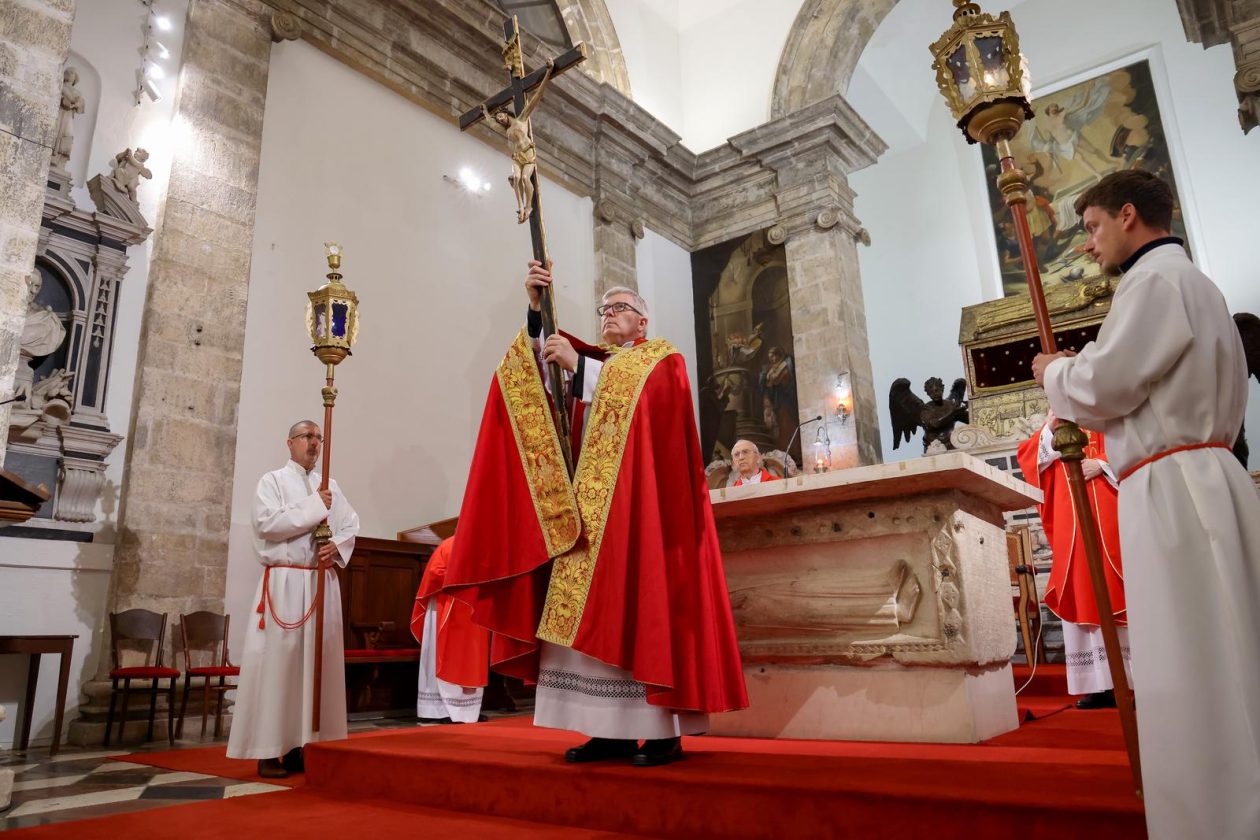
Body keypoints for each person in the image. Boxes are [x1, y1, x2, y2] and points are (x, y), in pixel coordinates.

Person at [444, 260, 748, 768]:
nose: (609, 315)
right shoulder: (598, 362)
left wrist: (581, 370)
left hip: (642, 522)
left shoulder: (662, 361)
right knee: (589, 621)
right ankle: (606, 731)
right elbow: (542, 388)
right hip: (587, 519)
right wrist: (537, 310)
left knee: (639, 612)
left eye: (620, 308)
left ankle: (662, 732)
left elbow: (646, 402)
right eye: (604, 309)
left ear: (642, 322)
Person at [1032, 169, 1260, 840]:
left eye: (1094, 226)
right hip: (1202, 482)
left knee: (1193, 663)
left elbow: (1108, 385)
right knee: (1225, 650)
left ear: (1129, 215)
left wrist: (1055, 372)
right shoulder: (1193, 283)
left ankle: (1212, 817)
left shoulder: (1154, 282)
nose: (1090, 244)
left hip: (1176, 493)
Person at [227, 421, 360, 779]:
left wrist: (338, 546)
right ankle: (268, 750)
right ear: (290, 443)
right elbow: (268, 524)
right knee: (279, 664)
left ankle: (304, 744)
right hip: (285, 582)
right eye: (307, 437)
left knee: (313, 665)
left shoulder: (331, 485)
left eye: (319, 437)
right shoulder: (271, 482)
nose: (314, 443)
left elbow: (350, 525)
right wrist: (316, 506)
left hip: (319, 581)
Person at [1015, 412, 1129, 709]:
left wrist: (1104, 463)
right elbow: (1030, 458)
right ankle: (1100, 683)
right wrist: (1050, 431)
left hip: (1114, 513)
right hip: (1073, 522)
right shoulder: (1060, 419)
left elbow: (1138, 443)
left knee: (1125, 587)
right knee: (1083, 589)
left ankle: (1136, 679)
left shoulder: (1109, 406)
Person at [410, 536, 489, 724]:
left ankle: (467, 710)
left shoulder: (481, 547)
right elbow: (435, 574)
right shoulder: (449, 545)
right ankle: (438, 710)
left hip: (472, 612)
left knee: (471, 656)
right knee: (442, 655)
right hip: (444, 607)